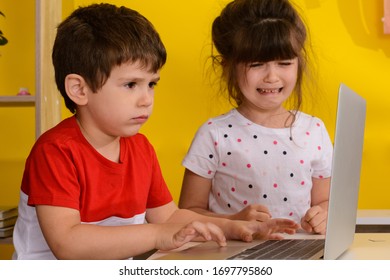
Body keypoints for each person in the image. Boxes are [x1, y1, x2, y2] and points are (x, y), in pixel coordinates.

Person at [11, 3, 298, 260]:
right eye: (130, 85)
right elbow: (68, 244)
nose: (146, 98)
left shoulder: (140, 148)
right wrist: (159, 235)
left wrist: (235, 226)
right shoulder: (55, 151)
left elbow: (169, 215)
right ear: (79, 89)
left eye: (151, 84)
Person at [179, 0, 332, 235]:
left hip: (300, 255)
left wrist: (323, 215)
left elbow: (325, 202)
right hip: (236, 255)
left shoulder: (314, 130)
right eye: (257, 64)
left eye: (284, 63)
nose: (272, 76)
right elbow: (187, 212)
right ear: (227, 66)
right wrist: (234, 221)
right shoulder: (214, 134)